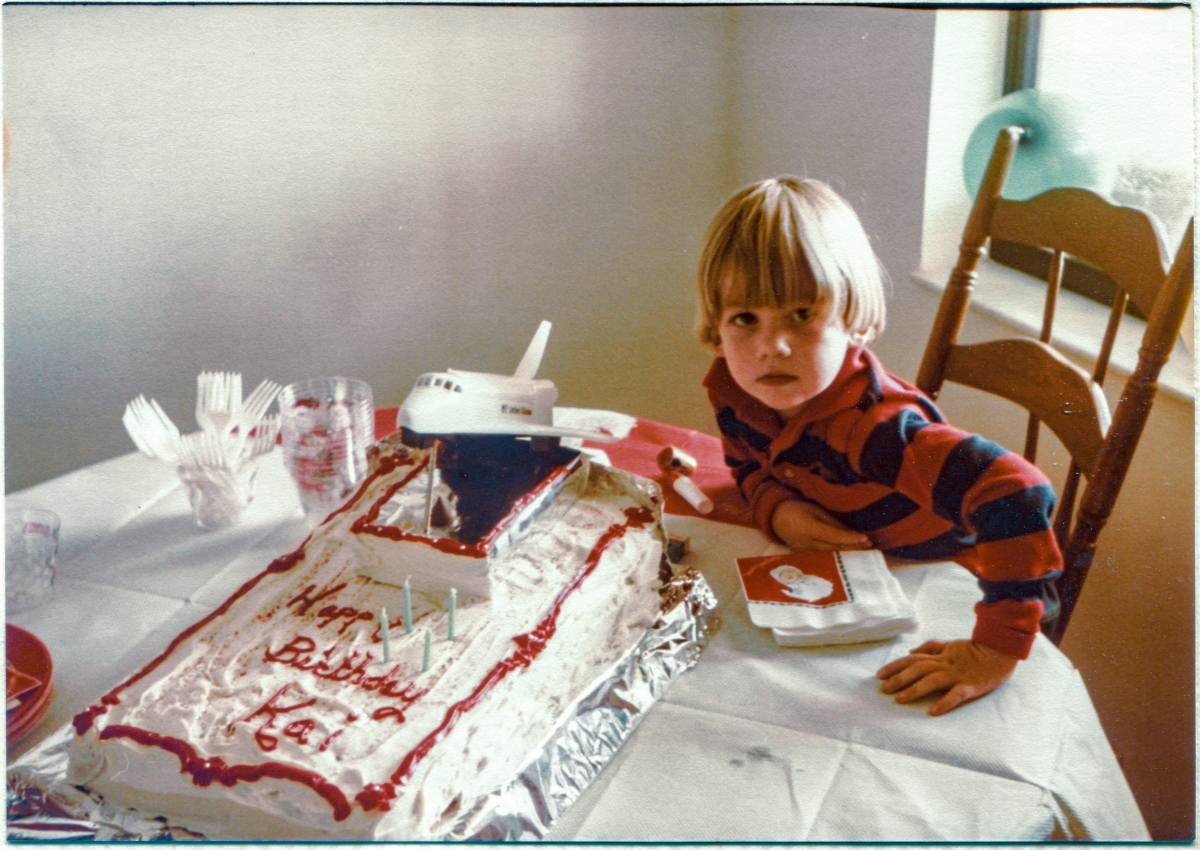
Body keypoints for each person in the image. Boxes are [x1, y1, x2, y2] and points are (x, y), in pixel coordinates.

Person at [696, 176, 1062, 716]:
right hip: (854, 574)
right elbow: (746, 465)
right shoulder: (735, 390)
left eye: (801, 315)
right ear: (716, 329)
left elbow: (1018, 491)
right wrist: (780, 510)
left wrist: (993, 649)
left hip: (939, 581)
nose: (771, 347)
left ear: (856, 322)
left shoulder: (877, 429)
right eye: (745, 319)